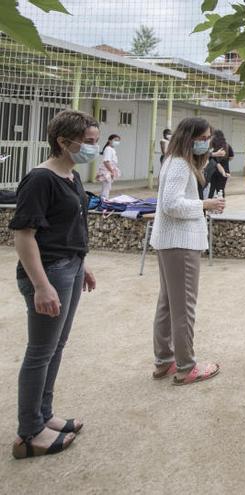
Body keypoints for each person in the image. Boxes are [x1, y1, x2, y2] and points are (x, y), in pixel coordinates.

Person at [9, 110, 99, 459]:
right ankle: (29, 432)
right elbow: (24, 235)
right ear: (64, 142)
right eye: (88, 142)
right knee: (40, 351)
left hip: (71, 268)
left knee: (57, 345)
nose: (94, 148)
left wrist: (82, 263)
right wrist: (42, 286)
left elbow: (67, 228)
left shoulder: (72, 177)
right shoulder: (40, 180)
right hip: (49, 273)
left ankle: (44, 416)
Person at [149, 117, 224, 386]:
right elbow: (172, 205)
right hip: (180, 244)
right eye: (202, 138)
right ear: (188, 137)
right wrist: (206, 204)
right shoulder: (180, 164)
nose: (207, 143)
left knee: (169, 304)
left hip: (170, 242)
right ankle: (186, 367)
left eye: (208, 138)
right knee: (183, 307)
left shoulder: (173, 161)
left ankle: (165, 360)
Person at [208, 129, 233, 199]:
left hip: (212, 170)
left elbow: (207, 157)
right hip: (225, 170)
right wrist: (225, 160)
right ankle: (220, 207)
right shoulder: (227, 146)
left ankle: (208, 206)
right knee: (221, 189)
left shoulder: (211, 146)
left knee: (211, 189)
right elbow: (231, 157)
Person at [97, 134, 121, 199]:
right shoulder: (108, 149)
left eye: (118, 141)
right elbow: (106, 162)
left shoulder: (111, 149)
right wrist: (112, 171)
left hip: (109, 170)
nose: (117, 142)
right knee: (106, 188)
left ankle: (104, 200)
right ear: (109, 140)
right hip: (107, 170)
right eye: (115, 140)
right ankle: (104, 201)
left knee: (107, 187)